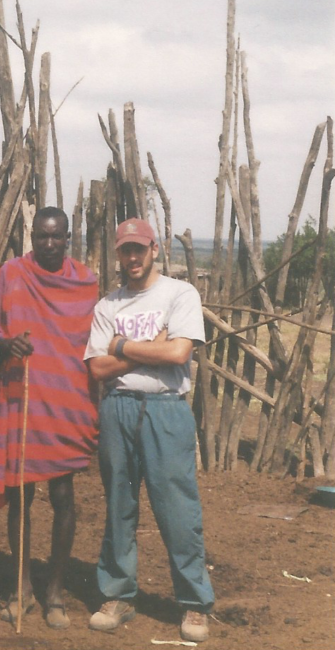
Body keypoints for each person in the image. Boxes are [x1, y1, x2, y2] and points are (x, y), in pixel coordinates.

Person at [84, 217, 214, 643]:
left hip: (165, 410)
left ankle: (194, 605)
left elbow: (178, 353)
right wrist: (142, 351)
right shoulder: (108, 306)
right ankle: (118, 594)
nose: (133, 257)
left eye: (140, 248)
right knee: (119, 505)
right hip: (118, 408)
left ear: (155, 249)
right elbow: (99, 368)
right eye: (126, 250)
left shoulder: (180, 294)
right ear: (118, 254)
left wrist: (121, 345)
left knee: (178, 510)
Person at [0, 207, 99, 629]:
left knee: (63, 495)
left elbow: (90, 342)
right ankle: (22, 587)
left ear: (68, 238)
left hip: (65, 400)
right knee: (21, 495)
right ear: (31, 235)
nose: (48, 244)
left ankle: (55, 592)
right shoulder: (12, 273)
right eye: (41, 236)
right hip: (22, 397)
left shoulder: (85, 283)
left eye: (56, 236)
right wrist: (7, 344)